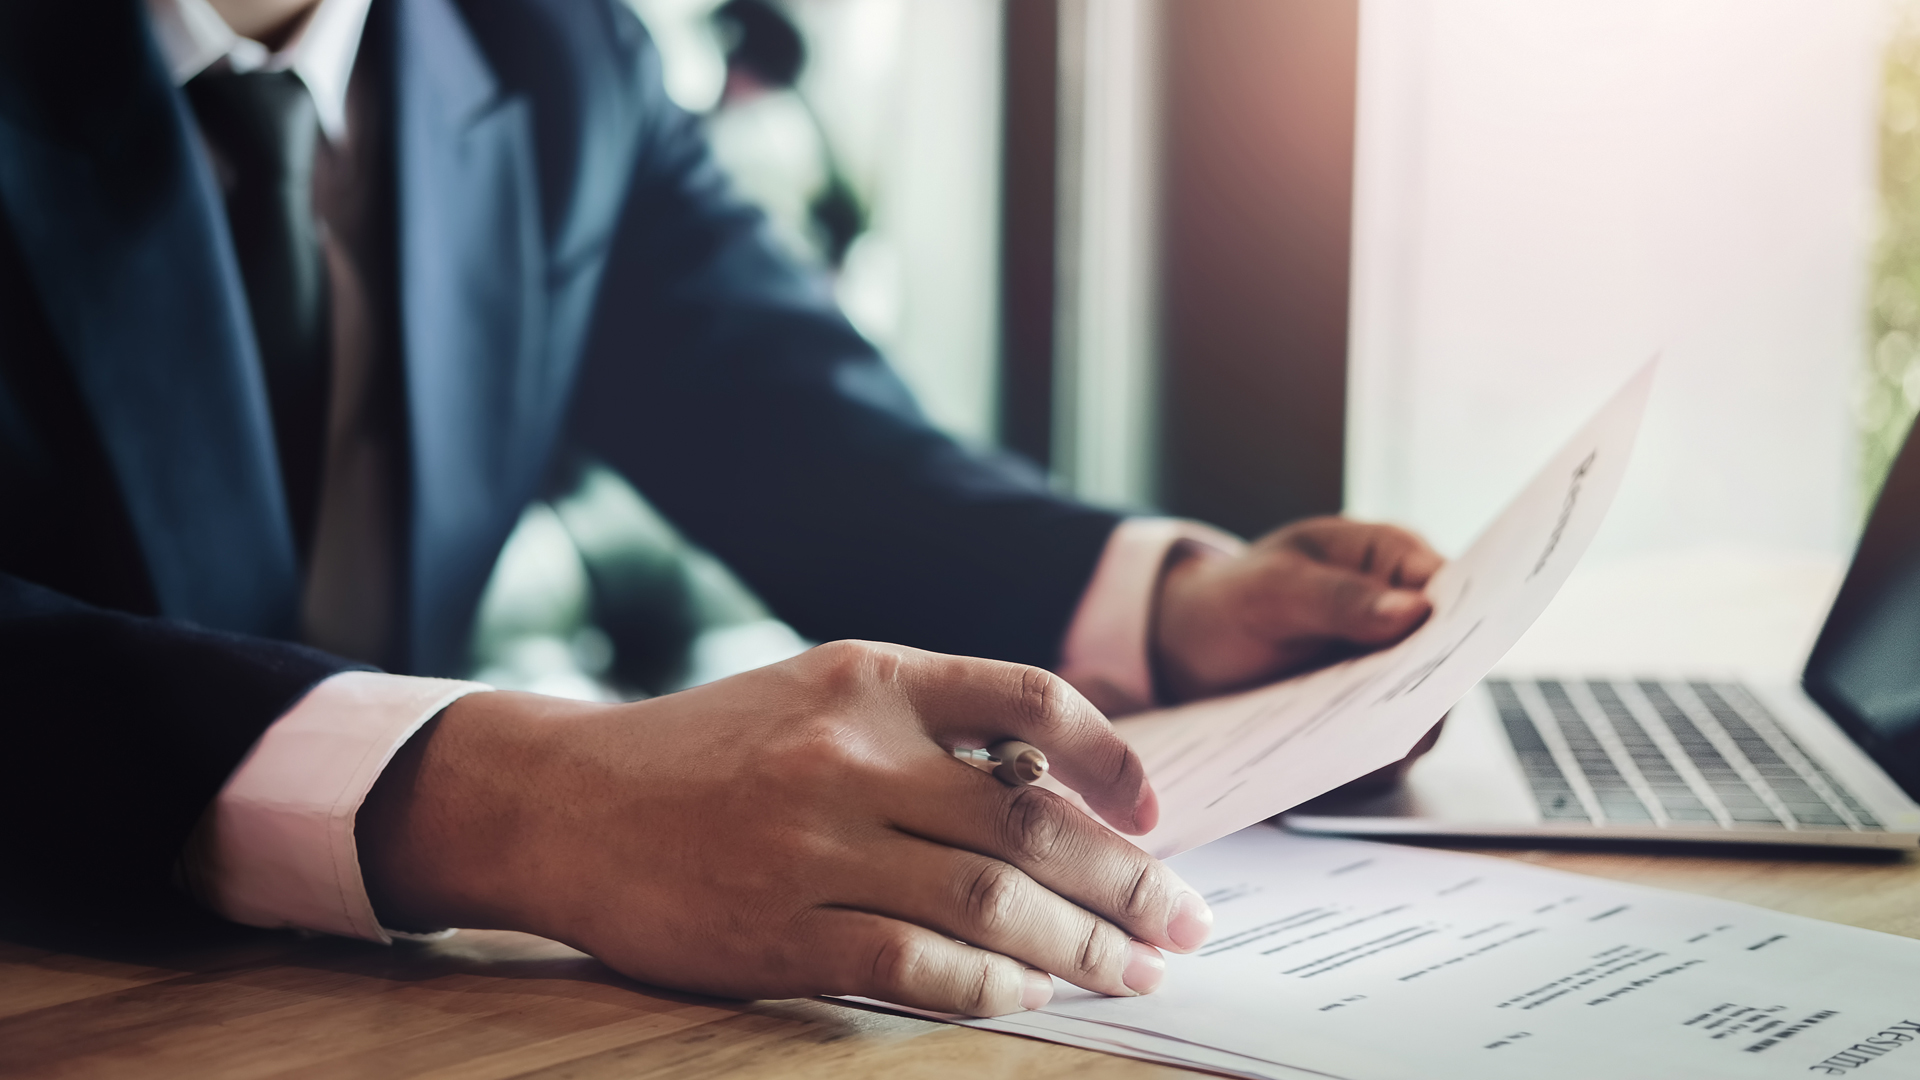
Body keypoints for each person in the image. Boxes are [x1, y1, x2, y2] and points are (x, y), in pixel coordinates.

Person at [0, 0, 1443, 1018]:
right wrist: (516, 804)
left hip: (377, 1015)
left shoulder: (540, 42)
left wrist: (1169, 605)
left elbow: (788, 422)